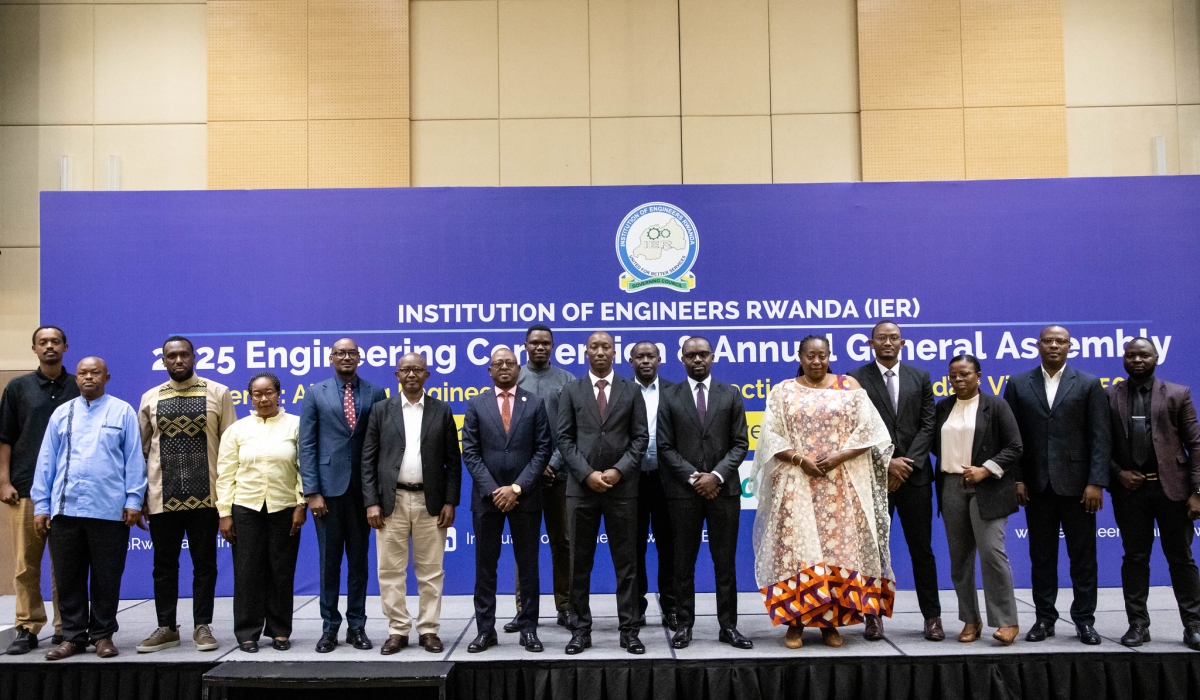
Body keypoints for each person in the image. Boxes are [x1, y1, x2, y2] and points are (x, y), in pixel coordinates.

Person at [751, 335, 893, 649]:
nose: (816, 362)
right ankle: (795, 625)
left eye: (822, 355)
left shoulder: (849, 387)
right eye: (810, 356)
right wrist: (800, 459)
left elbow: (871, 431)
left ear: (830, 356)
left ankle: (832, 624)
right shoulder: (784, 391)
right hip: (796, 486)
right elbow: (771, 438)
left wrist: (838, 457)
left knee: (836, 554)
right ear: (799, 356)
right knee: (796, 556)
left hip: (839, 486)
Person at [32, 357, 147, 660]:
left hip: (109, 511)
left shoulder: (121, 411)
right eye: (82, 373)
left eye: (95, 373)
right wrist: (41, 506)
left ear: (106, 377)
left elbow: (134, 459)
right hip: (66, 511)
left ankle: (103, 636)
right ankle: (72, 637)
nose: (88, 378)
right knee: (69, 578)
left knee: (106, 577)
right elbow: (46, 462)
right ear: (76, 378)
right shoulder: (62, 413)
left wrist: (134, 501)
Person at [1003, 325, 1111, 645]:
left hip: (1079, 487)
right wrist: (1018, 478)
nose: (1054, 346)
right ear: (1038, 345)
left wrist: (1095, 482)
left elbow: (1100, 437)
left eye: (1060, 341)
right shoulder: (1019, 384)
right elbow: (1012, 438)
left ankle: (1084, 620)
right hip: (1036, 485)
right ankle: (1044, 618)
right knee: (1042, 556)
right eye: (1048, 341)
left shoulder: (1089, 384)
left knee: (1083, 556)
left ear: (1069, 347)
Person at [135, 336, 236, 654]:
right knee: (163, 565)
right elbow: (140, 450)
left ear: (194, 357)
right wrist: (138, 497)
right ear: (163, 360)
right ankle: (167, 627)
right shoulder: (150, 397)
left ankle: (202, 626)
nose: (178, 360)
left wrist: (226, 501)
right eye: (171, 356)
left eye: (183, 355)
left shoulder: (218, 392)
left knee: (205, 564)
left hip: (207, 497)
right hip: (162, 496)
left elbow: (231, 447)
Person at [361, 352, 461, 655]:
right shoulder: (381, 410)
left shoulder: (441, 411)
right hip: (391, 502)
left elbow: (452, 463)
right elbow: (369, 459)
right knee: (390, 570)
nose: (412, 375)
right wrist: (372, 502)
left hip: (430, 502)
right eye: (406, 370)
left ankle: (429, 629)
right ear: (397, 375)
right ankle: (397, 630)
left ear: (427, 375)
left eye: (418, 369)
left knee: (431, 571)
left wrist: (450, 501)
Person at [848, 321, 941, 641]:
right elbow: (855, 429)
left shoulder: (920, 377)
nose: (888, 342)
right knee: (873, 552)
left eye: (894, 338)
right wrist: (887, 462)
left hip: (914, 479)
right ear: (870, 343)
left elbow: (928, 426)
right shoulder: (855, 379)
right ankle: (872, 617)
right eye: (881, 338)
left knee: (922, 551)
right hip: (873, 478)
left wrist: (906, 465)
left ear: (902, 343)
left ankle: (932, 617)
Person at [557, 331, 649, 655]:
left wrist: (618, 470)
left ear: (614, 351)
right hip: (581, 491)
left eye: (605, 347)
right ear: (585, 352)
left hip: (622, 490)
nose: (600, 352)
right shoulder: (570, 390)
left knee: (627, 565)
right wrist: (587, 474)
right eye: (594, 347)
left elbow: (640, 439)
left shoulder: (632, 390)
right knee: (578, 564)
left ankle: (629, 632)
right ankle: (579, 631)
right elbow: (564, 440)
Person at [657, 336, 751, 650]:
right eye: (691, 355)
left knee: (724, 562)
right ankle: (684, 626)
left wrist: (716, 476)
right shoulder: (670, 396)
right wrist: (695, 477)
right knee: (683, 562)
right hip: (684, 493)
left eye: (703, 355)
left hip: (724, 492)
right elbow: (665, 447)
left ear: (712, 357)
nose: (698, 360)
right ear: (681, 359)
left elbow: (741, 443)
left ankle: (728, 627)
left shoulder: (731, 395)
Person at [1106, 338, 1200, 650]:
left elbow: (1195, 444)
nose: (1136, 359)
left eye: (1143, 354)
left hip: (1172, 489)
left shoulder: (1177, 393)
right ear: (1124, 359)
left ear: (1156, 357)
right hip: (1130, 492)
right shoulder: (1109, 395)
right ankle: (1138, 625)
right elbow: (1099, 445)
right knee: (1135, 558)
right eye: (1130, 355)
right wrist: (1118, 472)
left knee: (1181, 559)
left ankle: (1193, 626)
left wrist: (1197, 491)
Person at [299, 337, 388, 653]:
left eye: (352, 352)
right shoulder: (315, 393)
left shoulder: (375, 393)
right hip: (328, 491)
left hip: (363, 491)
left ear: (360, 358)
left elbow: (378, 443)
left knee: (359, 563)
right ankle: (329, 629)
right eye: (341, 353)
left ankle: (357, 627)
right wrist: (312, 492)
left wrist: (375, 494)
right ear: (331, 357)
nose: (346, 357)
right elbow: (306, 445)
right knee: (329, 563)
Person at [461, 348, 552, 653]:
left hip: (524, 498)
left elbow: (542, 451)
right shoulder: (476, 404)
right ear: (489, 370)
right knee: (485, 567)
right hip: (487, 500)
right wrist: (494, 490)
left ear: (518, 369)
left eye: (509, 363)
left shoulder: (535, 403)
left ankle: (529, 628)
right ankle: (485, 630)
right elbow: (470, 452)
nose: (503, 367)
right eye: (497, 363)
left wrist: (516, 488)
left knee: (528, 566)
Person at [932, 355, 1023, 645]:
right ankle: (970, 620)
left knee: (992, 553)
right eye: (953, 376)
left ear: (979, 376)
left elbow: (1015, 446)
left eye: (965, 374)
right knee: (960, 559)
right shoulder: (943, 407)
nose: (958, 380)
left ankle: (1007, 621)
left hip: (989, 486)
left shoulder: (996, 406)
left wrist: (987, 469)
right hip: (950, 485)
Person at [215, 372, 306, 653]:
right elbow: (225, 474)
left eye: (269, 393)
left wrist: (301, 504)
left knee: (281, 570)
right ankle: (247, 632)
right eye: (257, 394)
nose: (263, 398)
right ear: (250, 397)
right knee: (247, 571)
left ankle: (279, 631)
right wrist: (224, 513)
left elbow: (305, 469)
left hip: (285, 507)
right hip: (245, 508)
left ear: (280, 394)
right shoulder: (237, 430)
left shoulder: (296, 426)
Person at [0, 326, 75, 654]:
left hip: (70, 491)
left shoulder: (79, 386)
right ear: (34, 348)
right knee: (26, 564)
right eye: (43, 342)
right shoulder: (18, 388)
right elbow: (5, 439)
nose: (49, 347)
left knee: (66, 565)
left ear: (65, 347)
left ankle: (65, 627)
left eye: (55, 342)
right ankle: (27, 627)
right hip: (26, 488)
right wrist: (3, 481)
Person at [505, 324, 575, 632]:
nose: (540, 347)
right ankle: (525, 610)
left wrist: (554, 463)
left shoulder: (567, 380)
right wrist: (533, 468)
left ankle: (566, 606)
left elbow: (572, 428)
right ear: (525, 346)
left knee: (563, 542)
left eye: (545, 343)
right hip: (525, 478)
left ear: (553, 346)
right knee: (525, 545)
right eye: (534, 343)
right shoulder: (514, 379)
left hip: (561, 476)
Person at [630, 341, 678, 631]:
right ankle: (635, 608)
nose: (646, 361)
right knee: (632, 548)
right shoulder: (622, 391)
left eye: (651, 356)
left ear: (660, 359)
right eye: (640, 357)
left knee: (669, 547)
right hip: (632, 481)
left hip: (667, 479)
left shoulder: (674, 391)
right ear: (631, 361)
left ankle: (671, 607)